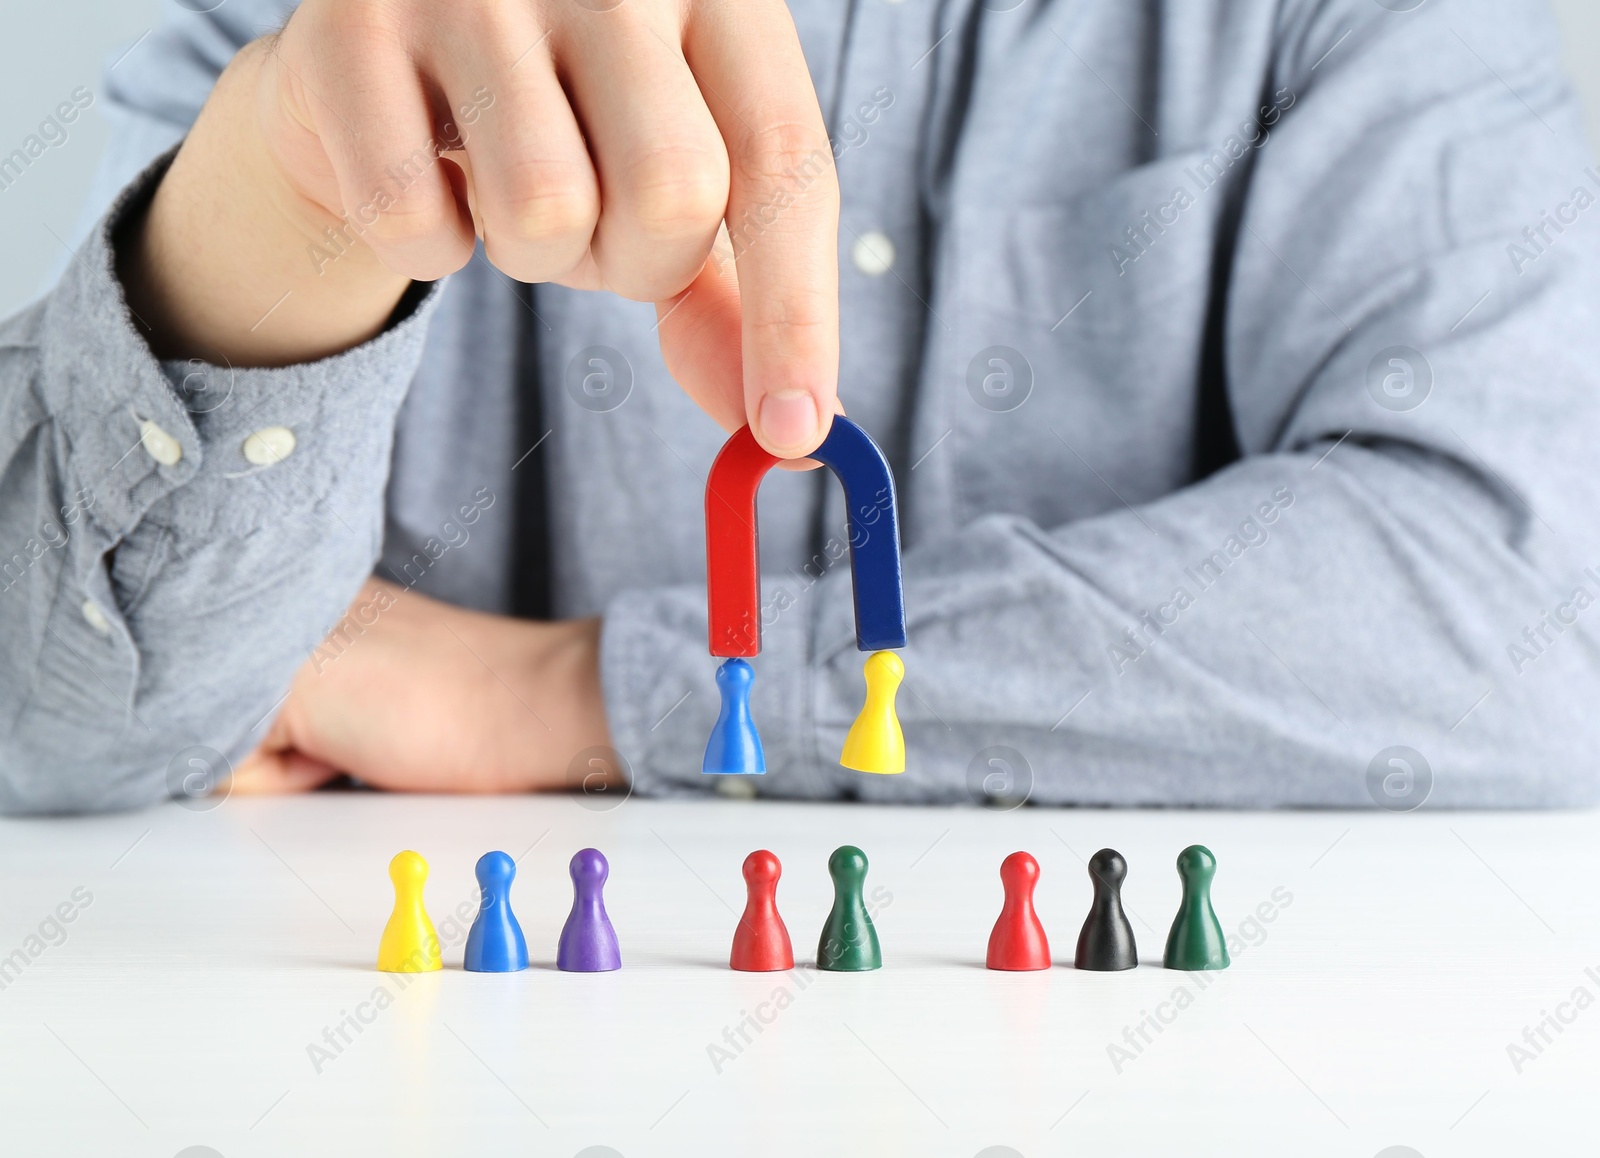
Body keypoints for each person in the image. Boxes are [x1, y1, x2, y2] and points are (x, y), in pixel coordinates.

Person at [1, 0, 1597, 814]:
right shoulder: (322, 22)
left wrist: (577, 696)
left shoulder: (1362, 31)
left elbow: (1526, 614)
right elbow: (48, 718)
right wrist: (292, 202)